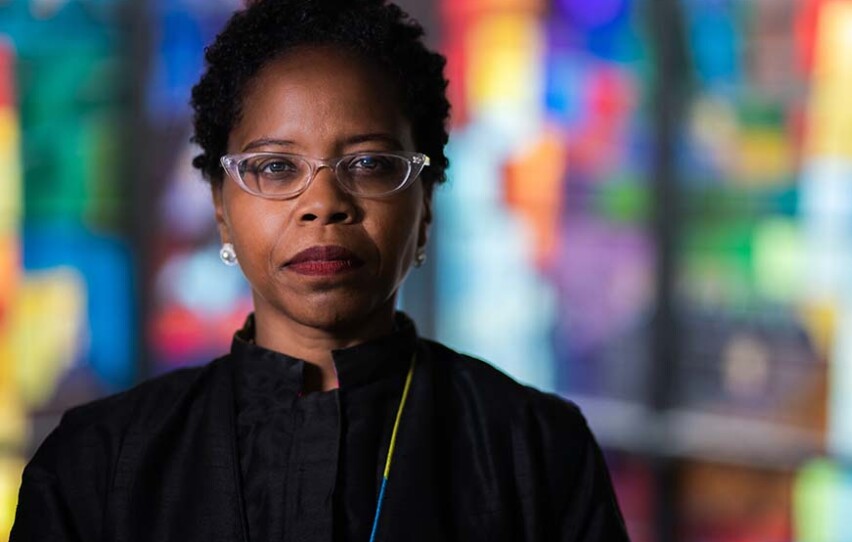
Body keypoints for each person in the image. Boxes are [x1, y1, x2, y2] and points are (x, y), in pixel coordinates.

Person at [11, 0, 630, 540]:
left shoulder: (534, 451)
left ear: (425, 207)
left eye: (368, 165)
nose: (323, 203)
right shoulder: (99, 464)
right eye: (276, 168)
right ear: (222, 212)